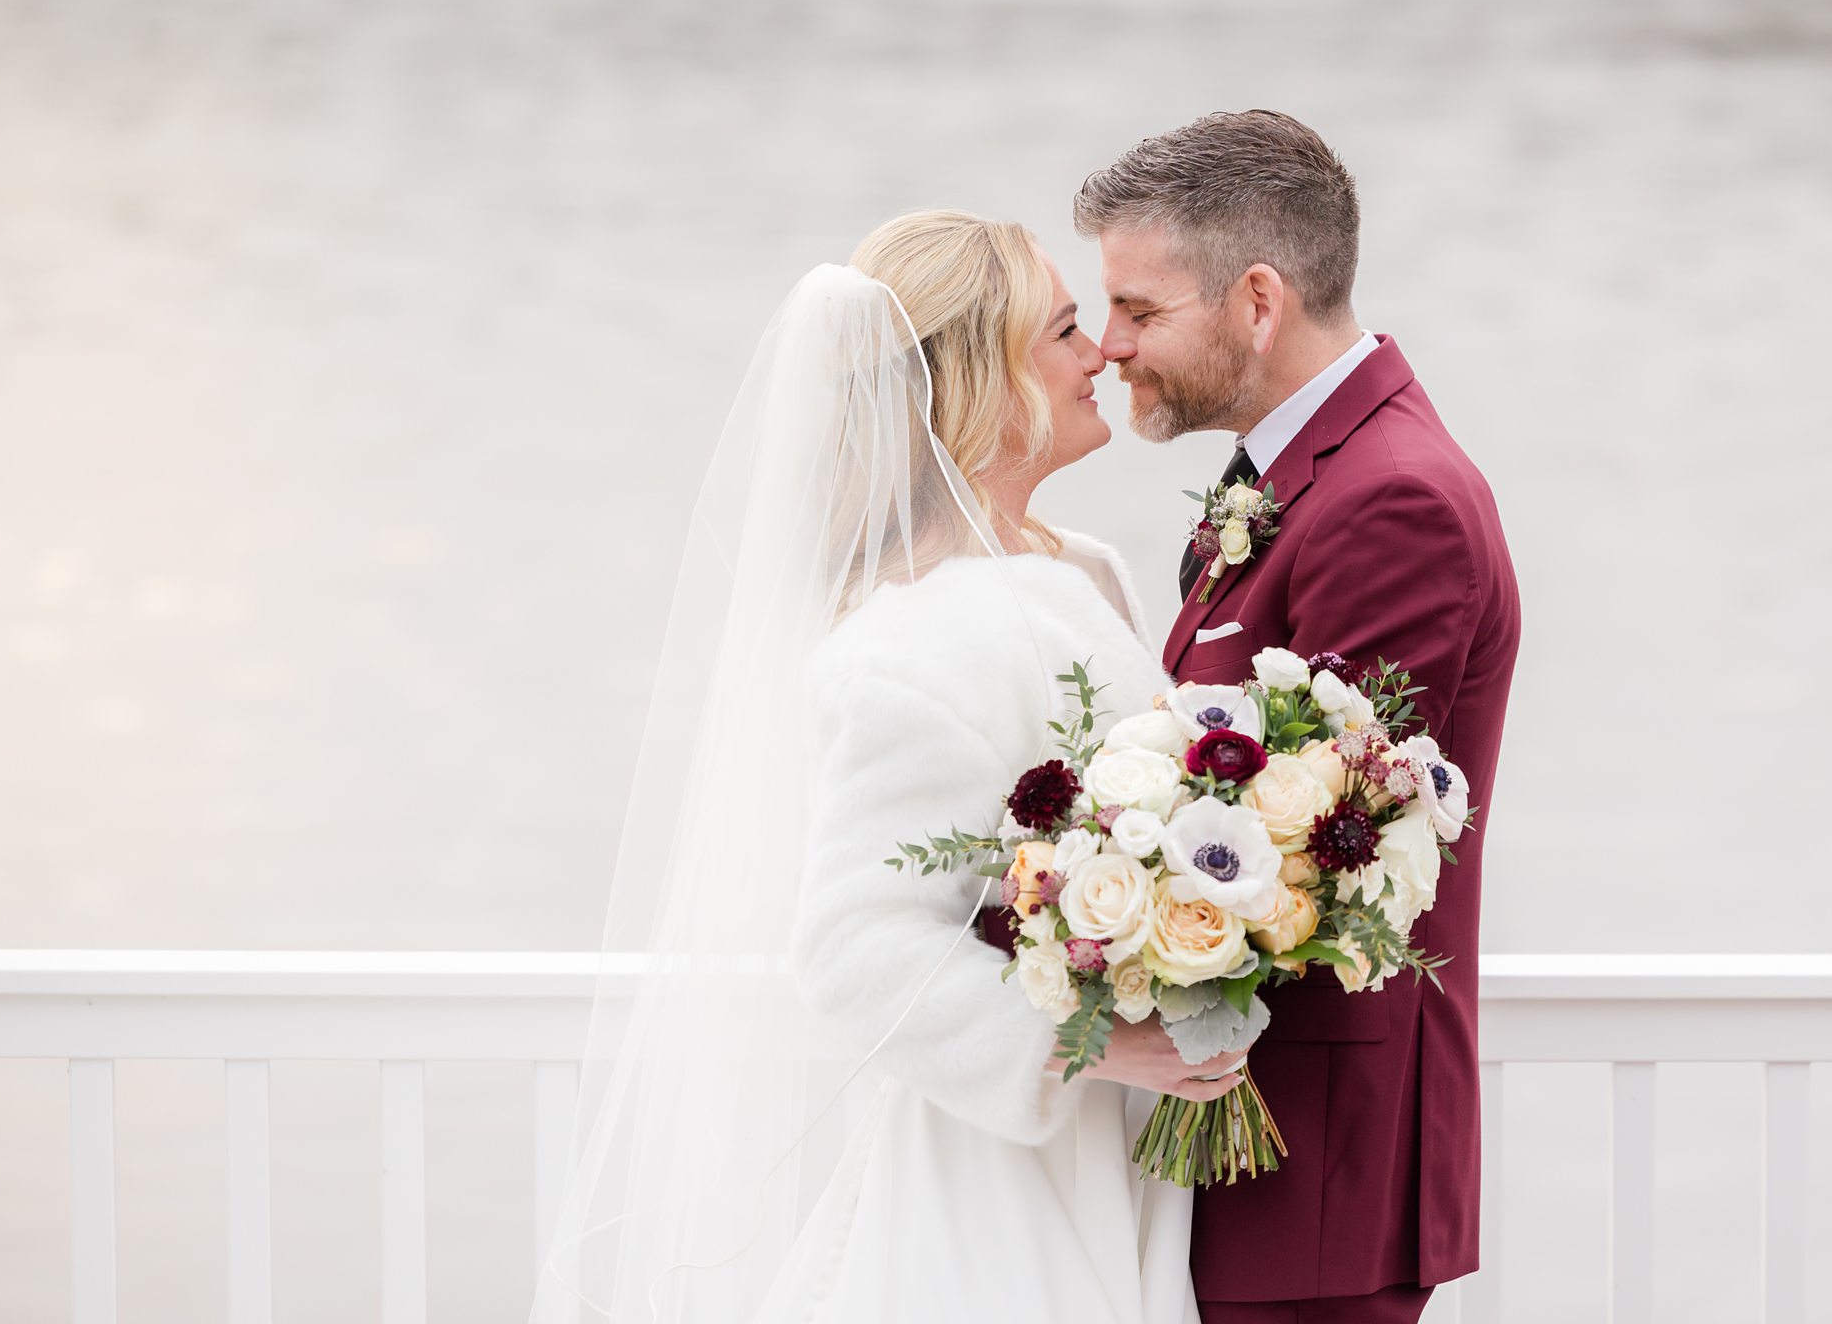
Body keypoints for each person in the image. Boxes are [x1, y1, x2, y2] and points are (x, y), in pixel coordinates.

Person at [529, 210, 1238, 1324]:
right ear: (983, 382)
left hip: (1129, 1163)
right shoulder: (904, 643)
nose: (1098, 351)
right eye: (1060, 332)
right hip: (997, 1187)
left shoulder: (1087, 573)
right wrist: (1091, 1041)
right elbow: (853, 945)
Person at [1077, 110, 1523, 1324]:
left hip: (1315, 1154)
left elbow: (1315, 844)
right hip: (1249, 1139)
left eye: (1139, 309)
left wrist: (1044, 921)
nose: (1108, 344)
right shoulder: (1293, 475)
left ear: (1256, 302)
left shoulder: (1396, 502)